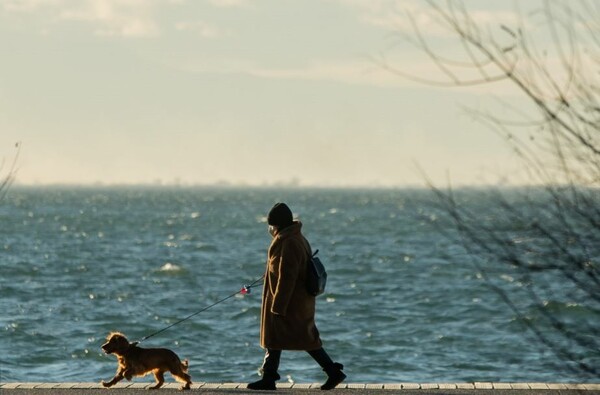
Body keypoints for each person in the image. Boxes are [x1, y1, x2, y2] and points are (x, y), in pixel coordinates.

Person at [247, 202, 346, 391]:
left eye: (272, 225)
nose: (271, 229)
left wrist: (278, 306)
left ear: (278, 225)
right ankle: (269, 377)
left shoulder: (289, 242)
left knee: (303, 340)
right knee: (280, 340)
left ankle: (333, 372)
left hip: (290, 302)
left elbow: (288, 277)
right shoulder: (294, 237)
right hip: (297, 301)